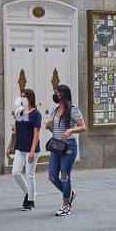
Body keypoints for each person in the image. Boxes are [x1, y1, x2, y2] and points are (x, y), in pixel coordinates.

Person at [45, 83, 86, 216]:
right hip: (56, 146)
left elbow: (83, 127)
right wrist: (49, 126)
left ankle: (66, 204)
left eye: (57, 93)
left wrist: (70, 130)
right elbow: (54, 129)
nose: (55, 95)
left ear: (64, 94)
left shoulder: (73, 110)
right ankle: (69, 193)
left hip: (69, 146)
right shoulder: (54, 110)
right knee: (52, 176)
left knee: (64, 176)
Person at [9, 88, 43, 211]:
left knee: (30, 175)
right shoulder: (19, 112)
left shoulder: (36, 114)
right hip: (19, 147)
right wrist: (9, 146)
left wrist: (32, 152)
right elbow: (15, 131)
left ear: (30, 98)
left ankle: (31, 201)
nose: (22, 98)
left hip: (31, 149)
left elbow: (36, 134)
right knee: (15, 173)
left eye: (24, 96)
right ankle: (28, 193)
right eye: (21, 96)